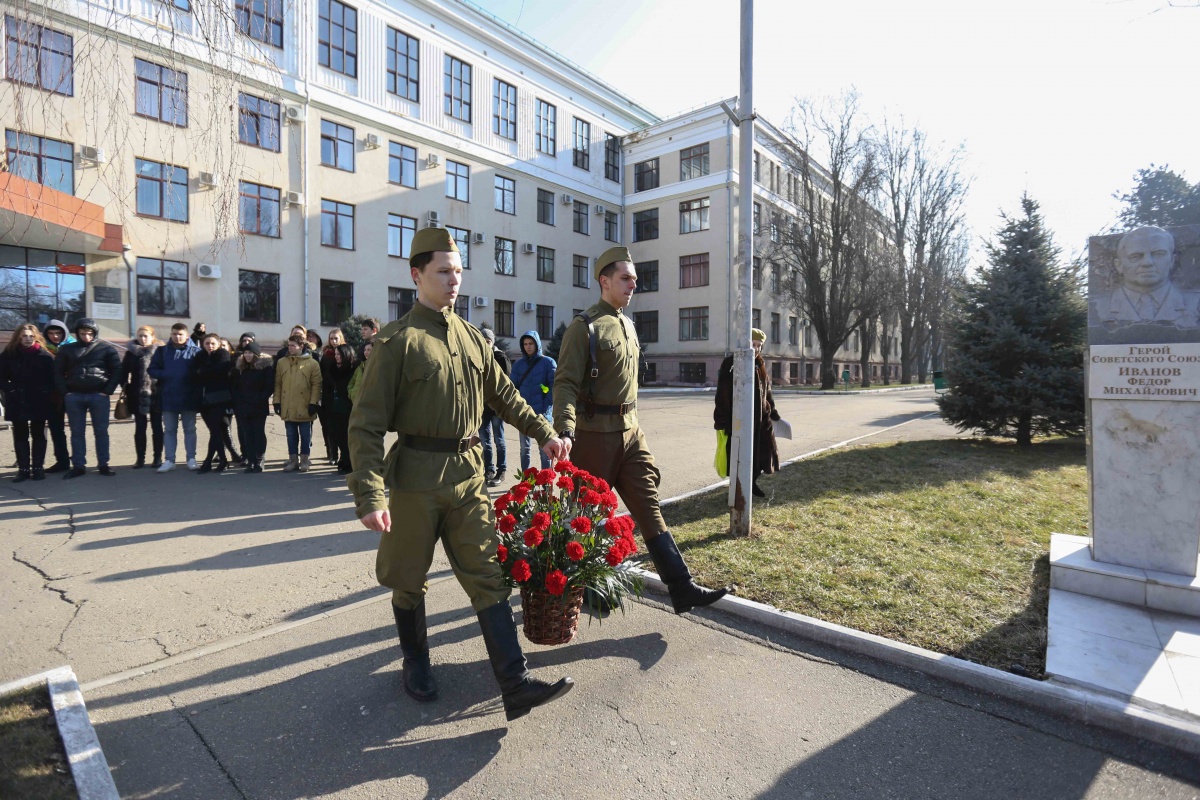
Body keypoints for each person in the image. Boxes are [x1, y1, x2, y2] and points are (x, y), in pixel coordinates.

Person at [348, 227, 573, 721]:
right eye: (443, 272)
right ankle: (415, 661)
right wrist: (370, 495)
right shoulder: (396, 342)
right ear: (416, 276)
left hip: (469, 475)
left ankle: (514, 686)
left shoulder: (472, 338)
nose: (454, 281)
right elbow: (364, 425)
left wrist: (544, 431)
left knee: (488, 575)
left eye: (458, 272)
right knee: (409, 578)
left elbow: (506, 396)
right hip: (414, 477)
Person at [553, 246, 727, 614]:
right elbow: (566, 383)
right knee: (586, 515)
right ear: (605, 281)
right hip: (594, 435)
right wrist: (565, 430)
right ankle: (574, 587)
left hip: (631, 432)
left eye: (634, 278)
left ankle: (681, 586)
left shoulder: (628, 325)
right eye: (625, 278)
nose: (634, 284)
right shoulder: (584, 328)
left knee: (648, 506)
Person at [714, 328, 780, 499]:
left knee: (761, 454)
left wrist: (772, 410)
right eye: (753, 343)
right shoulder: (731, 363)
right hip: (739, 420)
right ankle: (738, 490)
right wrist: (724, 421)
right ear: (744, 342)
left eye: (759, 345)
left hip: (761, 419)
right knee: (739, 457)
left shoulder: (760, 363)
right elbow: (722, 394)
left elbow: (767, 390)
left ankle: (752, 483)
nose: (756, 348)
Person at [54, 318, 122, 478]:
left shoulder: (106, 349)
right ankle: (78, 466)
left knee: (101, 432)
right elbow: (57, 372)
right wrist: (65, 392)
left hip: (99, 395)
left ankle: (103, 464)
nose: (86, 337)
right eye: (83, 333)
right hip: (74, 395)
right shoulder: (66, 350)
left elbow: (117, 370)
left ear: (95, 333)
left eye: (89, 333)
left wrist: (107, 391)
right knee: (77, 432)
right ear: (77, 333)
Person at [1099, 226, 1198, 325]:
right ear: (1119, 265)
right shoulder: (1100, 306)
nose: (1147, 263)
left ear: (1172, 261)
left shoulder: (1195, 303)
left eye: (1158, 254)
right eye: (1135, 256)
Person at [0, 324, 55, 481]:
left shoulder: (45, 356)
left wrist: (45, 391)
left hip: (39, 399)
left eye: (31, 336)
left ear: (36, 337)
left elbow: (52, 378)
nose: (28, 339)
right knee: (20, 434)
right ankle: (23, 469)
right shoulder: (9, 355)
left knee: (39, 433)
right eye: (24, 336)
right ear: (18, 337)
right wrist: (10, 389)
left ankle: (38, 468)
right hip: (18, 399)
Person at [149, 322, 202, 473]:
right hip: (168, 397)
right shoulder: (162, 351)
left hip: (188, 397)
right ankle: (169, 460)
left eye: (180, 334)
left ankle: (191, 459)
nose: (177, 337)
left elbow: (201, 371)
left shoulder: (196, 351)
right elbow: (152, 369)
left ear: (186, 335)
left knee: (190, 429)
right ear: (171, 334)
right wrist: (165, 375)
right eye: (174, 334)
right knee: (170, 430)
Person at [509, 330, 556, 472]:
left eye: (531, 343)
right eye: (525, 344)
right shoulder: (518, 365)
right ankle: (526, 480)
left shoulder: (548, 363)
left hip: (543, 415)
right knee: (525, 449)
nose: (528, 346)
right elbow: (512, 388)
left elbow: (554, 387)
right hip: (524, 414)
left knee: (545, 450)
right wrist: (517, 408)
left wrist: (546, 404)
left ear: (537, 344)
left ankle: (546, 484)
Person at [274, 333, 322, 472]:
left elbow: (316, 385)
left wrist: (314, 403)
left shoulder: (312, 363)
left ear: (301, 346)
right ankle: (293, 460)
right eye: (289, 345)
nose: (290, 348)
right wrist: (277, 402)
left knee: (305, 436)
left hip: (305, 405)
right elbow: (278, 384)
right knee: (291, 435)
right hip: (288, 405)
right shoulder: (282, 362)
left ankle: (305, 460)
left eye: (293, 346)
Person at [193, 333, 236, 473]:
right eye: (207, 343)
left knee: (216, 430)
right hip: (204, 400)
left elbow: (220, 371)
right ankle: (222, 460)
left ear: (218, 344)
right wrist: (205, 372)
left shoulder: (222, 354)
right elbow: (193, 372)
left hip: (219, 399)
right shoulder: (199, 356)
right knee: (215, 431)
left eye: (213, 343)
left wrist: (203, 371)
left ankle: (209, 461)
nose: (210, 346)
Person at [121, 325, 163, 469]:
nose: (143, 339)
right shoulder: (131, 353)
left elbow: (165, 371)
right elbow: (123, 372)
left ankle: (157, 457)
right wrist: (126, 386)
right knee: (140, 428)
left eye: (146, 336)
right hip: (137, 394)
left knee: (157, 427)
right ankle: (140, 458)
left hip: (156, 394)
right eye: (140, 336)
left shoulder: (160, 352)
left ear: (152, 337)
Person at [231, 341, 274, 473]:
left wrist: (259, 398)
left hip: (258, 406)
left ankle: (259, 458)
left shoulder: (265, 367)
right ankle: (250, 460)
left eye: (250, 353)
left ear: (256, 354)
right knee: (247, 434)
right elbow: (235, 386)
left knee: (258, 433)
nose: (247, 355)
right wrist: (238, 401)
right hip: (243, 406)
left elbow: (269, 387)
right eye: (245, 353)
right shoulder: (240, 368)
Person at [478, 327, 510, 486]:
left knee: (499, 440)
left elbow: (506, 382)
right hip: (482, 408)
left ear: (492, 342)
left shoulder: (500, 357)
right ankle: (489, 470)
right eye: (482, 341)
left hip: (496, 407)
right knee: (485, 440)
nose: (485, 344)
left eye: (488, 341)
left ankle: (501, 470)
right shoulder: (477, 356)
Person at [41, 319, 73, 473]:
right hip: (53, 395)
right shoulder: (43, 349)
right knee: (56, 429)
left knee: (77, 429)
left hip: (73, 392)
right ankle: (62, 460)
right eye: (51, 333)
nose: (55, 336)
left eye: (58, 333)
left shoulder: (74, 346)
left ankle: (79, 458)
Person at [325, 343, 356, 474]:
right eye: (336, 354)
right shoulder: (332, 368)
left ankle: (348, 463)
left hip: (348, 407)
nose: (337, 356)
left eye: (339, 354)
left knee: (348, 437)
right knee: (338, 436)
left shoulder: (353, 368)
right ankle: (343, 461)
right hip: (334, 407)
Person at [319, 328, 347, 465]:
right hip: (328, 395)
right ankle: (332, 454)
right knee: (329, 427)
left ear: (341, 338)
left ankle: (343, 455)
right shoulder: (326, 355)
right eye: (331, 339)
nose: (334, 341)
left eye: (336, 338)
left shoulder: (346, 352)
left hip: (342, 396)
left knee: (342, 427)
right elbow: (322, 376)